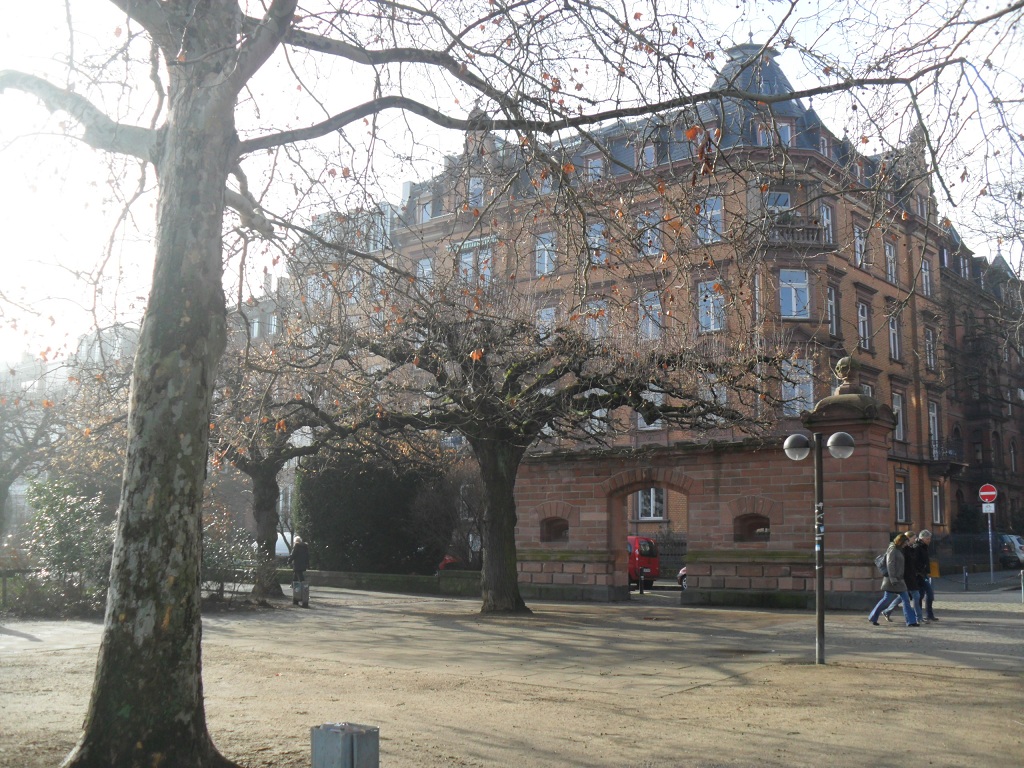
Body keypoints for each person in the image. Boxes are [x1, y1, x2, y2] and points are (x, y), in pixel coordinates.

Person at [868, 532, 920, 627]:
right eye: (905, 542)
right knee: (886, 600)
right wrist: (893, 579)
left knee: (906, 600)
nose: (906, 544)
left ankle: (911, 621)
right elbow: (890, 565)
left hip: (899, 580)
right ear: (901, 541)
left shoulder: (900, 550)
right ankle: (873, 617)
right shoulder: (893, 550)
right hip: (892, 580)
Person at [881, 531, 924, 624]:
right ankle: (918, 618)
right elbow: (893, 564)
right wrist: (895, 577)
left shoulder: (911, 548)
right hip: (905, 577)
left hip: (911, 576)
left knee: (904, 597)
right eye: (913, 538)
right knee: (912, 596)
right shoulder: (902, 549)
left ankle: (887, 611)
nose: (915, 540)